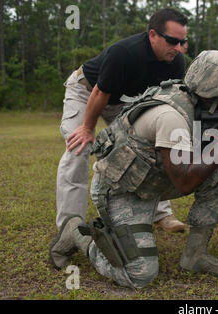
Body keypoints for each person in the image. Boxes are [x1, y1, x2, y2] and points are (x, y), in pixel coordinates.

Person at [49, 50, 218, 288]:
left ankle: (195, 256)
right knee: (140, 275)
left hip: (153, 181)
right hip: (121, 190)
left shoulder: (202, 104)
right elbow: (184, 182)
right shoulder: (171, 116)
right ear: (212, 92)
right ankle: (76, 234)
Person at [56, 8, 188, 234]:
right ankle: (70, 228)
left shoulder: (176, 62)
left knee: (152, 146)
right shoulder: (125, 52)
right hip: (86, 92)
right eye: (172, 41)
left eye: (182, 42)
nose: (178, 48)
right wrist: (88, 128)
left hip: (123, 101)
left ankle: (161, 214)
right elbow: (99, 92)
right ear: (153, 35)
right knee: (78, 149)